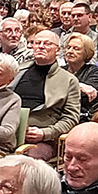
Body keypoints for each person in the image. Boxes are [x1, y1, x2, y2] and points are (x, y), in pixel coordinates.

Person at [17, 31, 80, 162]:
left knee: (24, 163)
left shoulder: (68, 80)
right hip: (9, 133)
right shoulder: (17, 70)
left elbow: (71, 118)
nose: (40, 46)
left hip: (42, 140)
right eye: (37, 43)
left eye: (47, 43)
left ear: (57, 50)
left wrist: (46, 133)